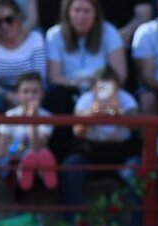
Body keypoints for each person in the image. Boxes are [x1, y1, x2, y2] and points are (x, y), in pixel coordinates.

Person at [59, 66, 142, 226]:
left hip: (122, 155)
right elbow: (78, 132)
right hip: (92, 155)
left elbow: (135, 124)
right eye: (101, 89)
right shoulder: (85, 101)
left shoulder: (127, 100)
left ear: (117, 88)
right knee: (70, 167)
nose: (105, 94)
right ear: (94, 88)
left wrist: (115, 113)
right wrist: (91, 116)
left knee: (136, 171)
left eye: (110, 89)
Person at [44, 0, 128, 160]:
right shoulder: (54, 35)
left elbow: (120, 75)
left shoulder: (109, 32)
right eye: (77, 10)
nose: (81, 16)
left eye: (87, 11)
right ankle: (60, 157)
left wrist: (97, 88)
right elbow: (54, 77)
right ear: (68, 12)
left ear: (96, 14)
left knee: (114, 101)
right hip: (69, 90)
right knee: (55, 96)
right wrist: (80, 83)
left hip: (102, 89)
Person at [0, 0, 49, 158]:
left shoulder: (35, 38)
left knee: (46, 97)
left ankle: (39, 157)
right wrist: (8, 95)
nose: (4, 25)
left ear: (19, 19)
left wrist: (25, 95)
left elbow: (40, 75)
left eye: (9, 20)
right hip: (0, 92)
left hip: (30, 87)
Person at [0, 71, 57, 190]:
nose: (30, 96)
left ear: (42, 94)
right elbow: (1, 152)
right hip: (13, 160)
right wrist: (21, 149)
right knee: (23, 159)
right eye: (26, 91)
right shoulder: (9, 116)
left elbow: (38, 146)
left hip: (38, 160)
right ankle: (27, 172)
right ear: (18, 94)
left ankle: (39, 176)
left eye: (35, 91)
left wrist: (32, 120)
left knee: (40, 156)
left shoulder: (47, 117)